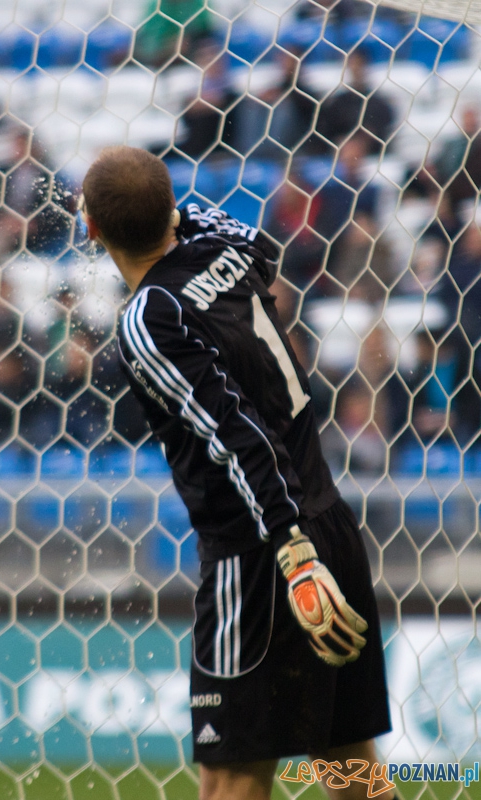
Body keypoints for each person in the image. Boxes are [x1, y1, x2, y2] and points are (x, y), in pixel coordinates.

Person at [80, 146, 392, 800]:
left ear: (91, 230)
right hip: (328, 518)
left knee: (229, 782)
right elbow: (245, 241)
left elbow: (237, 435)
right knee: (351, 771)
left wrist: (291, 553)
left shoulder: (148, 320)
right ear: (172, 211)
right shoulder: (226, 239)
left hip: (261, 557)